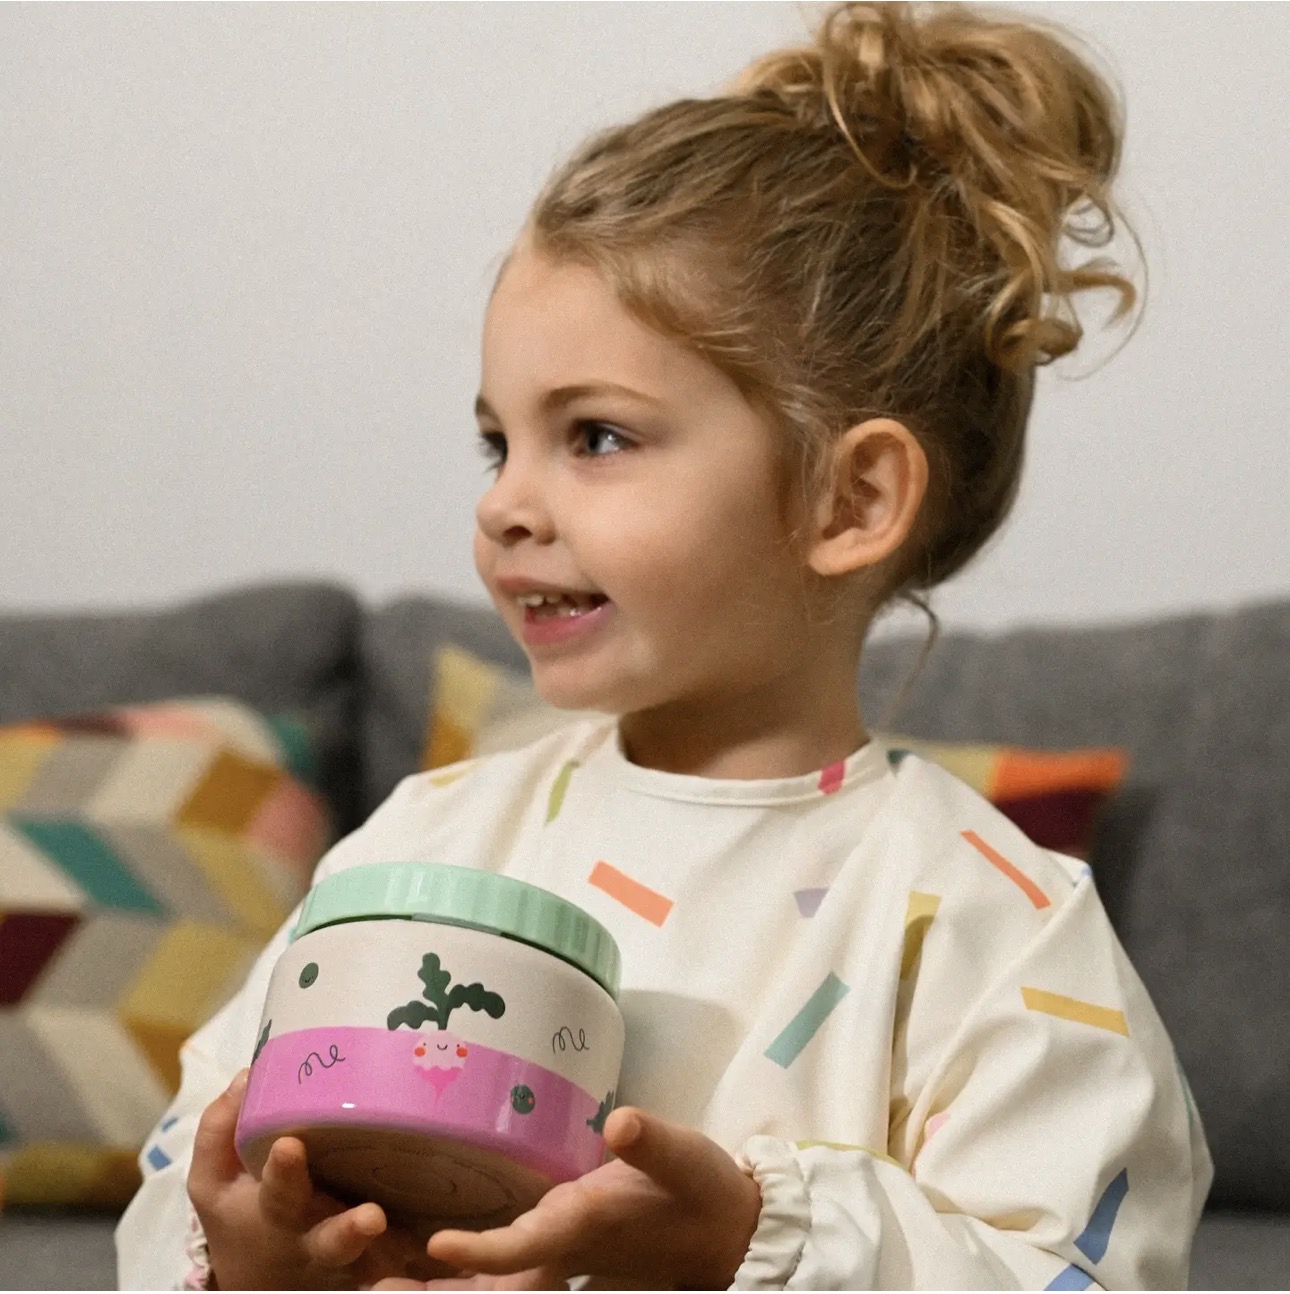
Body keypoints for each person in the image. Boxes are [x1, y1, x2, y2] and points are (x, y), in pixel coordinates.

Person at [115, 2, 1213, 1288]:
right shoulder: (421, 846)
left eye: (596, 436)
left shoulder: (994, 926)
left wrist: (751, 1241)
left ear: (848, 501)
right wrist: (241, 1254)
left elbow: (1083, 1268)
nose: (505, 502)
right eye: (498, 440)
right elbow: (189, 1161)